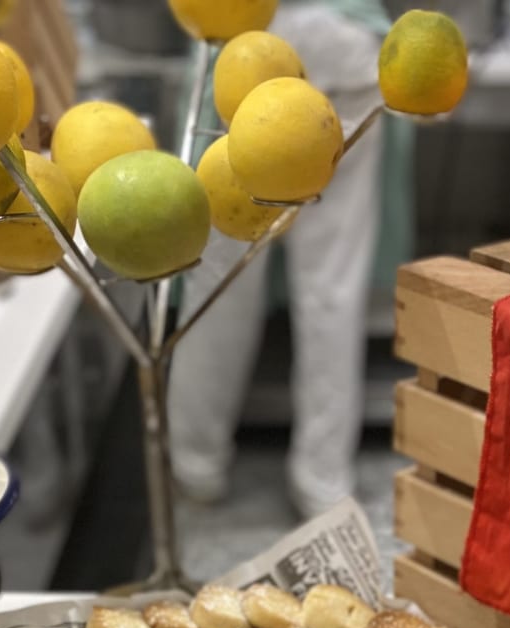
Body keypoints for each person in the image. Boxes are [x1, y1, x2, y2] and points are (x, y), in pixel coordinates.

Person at [167, 0, 390, 519]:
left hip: (244, 52)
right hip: (343, 48)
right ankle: (323, 479)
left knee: (220, 283)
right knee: (332, 291)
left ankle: (197, 463)